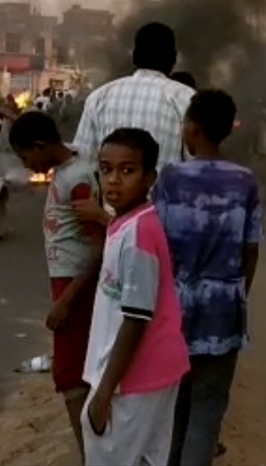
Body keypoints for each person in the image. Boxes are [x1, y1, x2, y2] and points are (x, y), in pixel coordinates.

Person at [153, 90, 263, 466]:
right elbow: (251, 249)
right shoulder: (245, 182)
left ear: (194, 129)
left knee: (175, 408)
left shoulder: (170, 179)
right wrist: (237, 294)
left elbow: (157, 244)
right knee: (207, 409)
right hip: (223, 309)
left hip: (175, 307)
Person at [81, 128, 189, 466]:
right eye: (106, 169)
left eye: (127, 171)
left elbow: (137, 318)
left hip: (137, 375)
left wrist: (104, 392)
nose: (113, 180)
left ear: (149, 178)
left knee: (111, 456)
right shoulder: (123, 223)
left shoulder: (140, 231)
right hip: (143, 370)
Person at [9, 111, 105, 463]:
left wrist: (66, 300)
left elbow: (99, 244)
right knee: (76, 370)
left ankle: (91, 457)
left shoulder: (77, 179)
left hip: (77, 286)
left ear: (40, 146)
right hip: (68, 283)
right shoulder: (71, 165)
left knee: (70, 374)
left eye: (25, 156)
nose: (25, 165)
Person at [73, 22, 194, 174]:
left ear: (135, 56)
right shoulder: (186, 99)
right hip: (167, 198)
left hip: (111, 197)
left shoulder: (98, 98)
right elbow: (196, 168)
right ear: (173, 58)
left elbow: (84, 165)